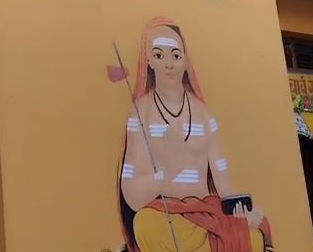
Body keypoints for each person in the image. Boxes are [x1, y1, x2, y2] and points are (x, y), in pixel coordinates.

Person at [115, 17, 273, 252]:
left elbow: (223, 184)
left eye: (176, 55)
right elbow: (130, 191)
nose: (169, 64)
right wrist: (165, 175)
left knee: (255, 232)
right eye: (159, 55)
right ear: (148, 60)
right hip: (166, 217)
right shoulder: (141, 113)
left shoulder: (204, 115)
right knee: (145, 223)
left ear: (185, 60)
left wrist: (239, 212)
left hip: (207, 217)